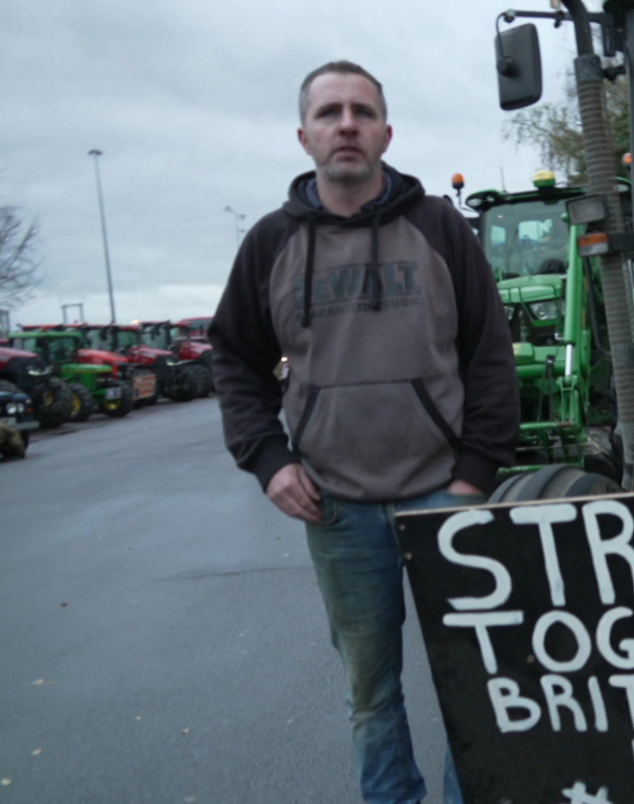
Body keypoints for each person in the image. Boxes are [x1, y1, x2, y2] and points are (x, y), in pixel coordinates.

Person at [208, 60, 518, 804]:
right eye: (329, 113)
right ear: (304, 135)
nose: (346, 124)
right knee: (372, 694)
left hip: (444, 502)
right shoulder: (269, 244)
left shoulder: (439, 226)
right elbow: (233, 359)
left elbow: (490, 354)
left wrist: (474, 471)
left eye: (361, 111)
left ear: (385, 131)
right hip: (340, 512)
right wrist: (270, 459)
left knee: (467, 687)